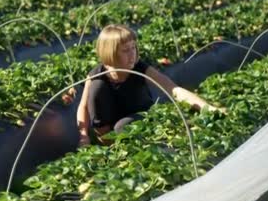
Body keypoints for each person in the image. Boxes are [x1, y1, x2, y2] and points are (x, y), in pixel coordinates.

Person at [77, 24, 224, 146]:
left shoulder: (140, 68)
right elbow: (83, 106)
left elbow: (173, 89)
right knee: (97, 88)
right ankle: (109, 146)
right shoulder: (96, 75)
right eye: (125, 50)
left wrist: (209, 108)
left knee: (122, 126)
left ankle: (133, 144)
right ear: (111, 53)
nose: (132, 54)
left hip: (140, 119)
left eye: (133, 48)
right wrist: (83, 135)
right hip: (108, 131)